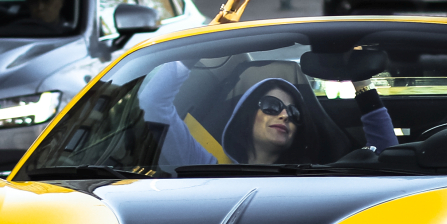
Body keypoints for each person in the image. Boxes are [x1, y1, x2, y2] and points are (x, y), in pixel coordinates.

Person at [139, 63, 397, 168]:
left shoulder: (319, 178)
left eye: (295, 113)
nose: (285, 115)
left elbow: (388, 159)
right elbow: (153, 103)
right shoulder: (206, 168)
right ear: (247, 115)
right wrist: (195, 44)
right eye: (272, 106)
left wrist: (363, 85)